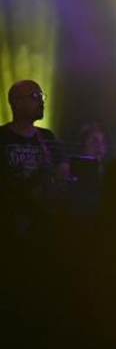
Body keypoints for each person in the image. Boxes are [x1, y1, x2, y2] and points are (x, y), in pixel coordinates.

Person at [1, 80, 68, 234]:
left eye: (41, 96)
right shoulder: (2, 137)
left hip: (43, 223)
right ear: (16, 102)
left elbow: (63, 170)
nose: (41, 102)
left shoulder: (47, 136)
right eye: (35, 96)